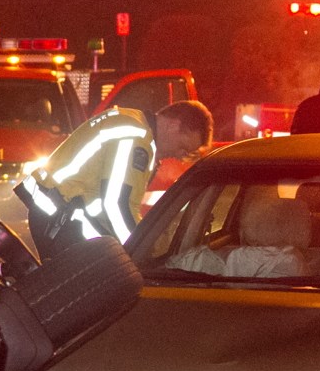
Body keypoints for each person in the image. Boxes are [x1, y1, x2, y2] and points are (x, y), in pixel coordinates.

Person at [14, 100, 213, 260]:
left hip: (55, 212)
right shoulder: (135, 137)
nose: (179, 156)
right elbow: (116, 205)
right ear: (173, 125)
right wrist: (140, 251)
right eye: (183, 147)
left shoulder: (132, 122)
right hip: (60, 217)